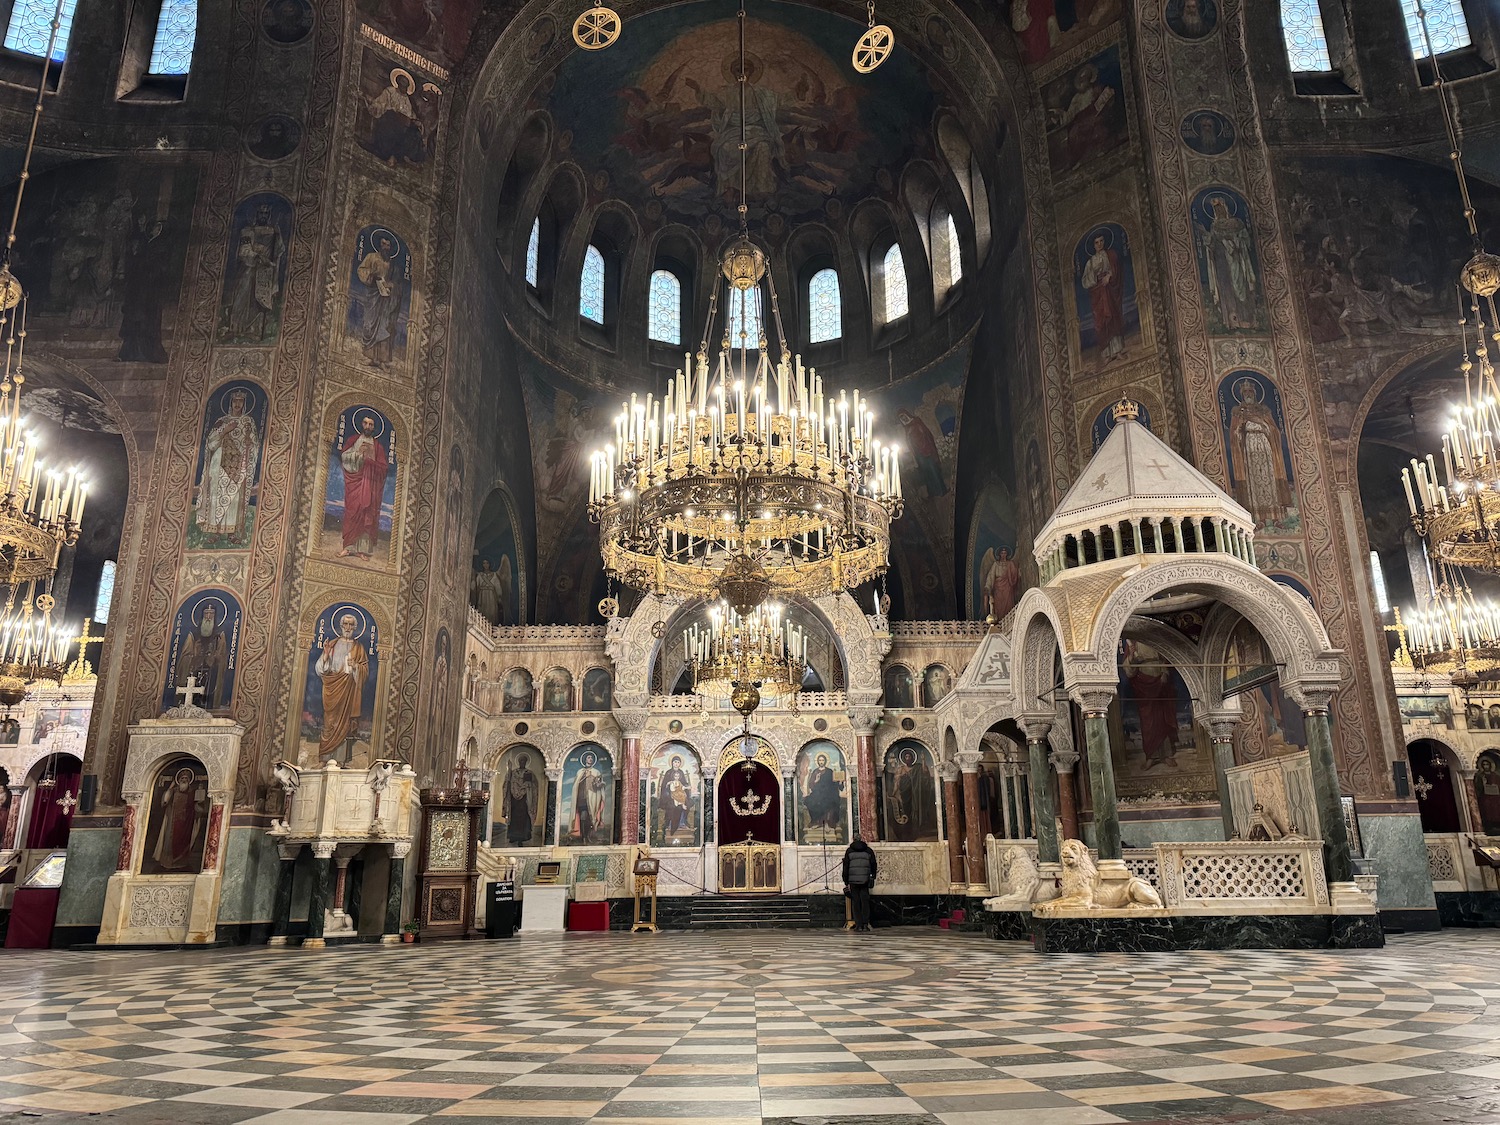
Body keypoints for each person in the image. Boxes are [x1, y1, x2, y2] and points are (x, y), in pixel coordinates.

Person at [196, 389, 260, 545]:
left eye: (240, 401)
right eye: (235, 401)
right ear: (230, 402)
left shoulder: (248, 422)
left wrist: (249, 441)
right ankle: (216, 531)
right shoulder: (222, 421)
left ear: (244, 404)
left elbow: (254, 443)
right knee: (217, 496)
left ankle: (231, 532)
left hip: (238, 464)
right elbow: (210, 443)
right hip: (219, 464)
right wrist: (224, 431)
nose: (237, 404)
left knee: (234, 498)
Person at [315, 611, 369, 762]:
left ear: (356, 628)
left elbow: (365, 672)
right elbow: (320, 669)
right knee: (329, 723)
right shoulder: (332, 644)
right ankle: (325, 759)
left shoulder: (359, 648)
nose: (348, 627)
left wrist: (356, 667)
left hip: (348, 692)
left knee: (344, 726)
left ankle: (340, 761)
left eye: (351, 624)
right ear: (340, 626)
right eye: (345, 624)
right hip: (332, 689)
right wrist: (325, 655)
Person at [337, 413, 388, 559]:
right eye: (365, 423)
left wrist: (371, 462)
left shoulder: (378, 446)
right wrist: (358, 454)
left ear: (374, 427)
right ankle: (347, 548)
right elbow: (344, 457)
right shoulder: (353, 440)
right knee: (352, 512)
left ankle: (362, 551)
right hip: (355, 482)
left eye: (371, 424)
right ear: (361, 424)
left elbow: (384, 468)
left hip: (370, 485)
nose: (368, 426)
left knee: (367, 514)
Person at [842, 834, 878, 932]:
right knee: (865, 901)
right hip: (865, 880)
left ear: (853, 840)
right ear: (861, 839)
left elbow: (846, 866)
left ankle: (858, 925)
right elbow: (873, 864)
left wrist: (845, 880)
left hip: (853, 881)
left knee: (856, 902)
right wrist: (873, 876)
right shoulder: (868, 850)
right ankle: (865, 924)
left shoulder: (849, 851)